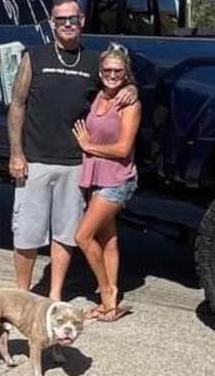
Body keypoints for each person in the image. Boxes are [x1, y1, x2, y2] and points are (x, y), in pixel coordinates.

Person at [6, 0, 137, 302]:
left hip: (76, 164)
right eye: (60, 19)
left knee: (65, 236)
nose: (67, 24)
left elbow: (116, 80)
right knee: (26, 234)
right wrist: (16, 153)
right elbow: (16, 104)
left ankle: (54, 295)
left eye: (72, 19)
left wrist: (131, 87)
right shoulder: (34, 57)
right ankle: (22, 296)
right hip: (34, 161)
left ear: (82, 22)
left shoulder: (94, 62)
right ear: (52, 24)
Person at [72, 43, 140, 323]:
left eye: (118, 71)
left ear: (126, 74)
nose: (112, 75)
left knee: (82, 237)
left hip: (116, 179)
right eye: (107, 70)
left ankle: (107, 294)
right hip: (96, 177)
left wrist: (88, 146)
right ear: (100, 72)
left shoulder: (130, 103)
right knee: (107, 238)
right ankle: (111, 298)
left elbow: (124, 149)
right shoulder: (98, 96)